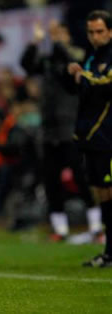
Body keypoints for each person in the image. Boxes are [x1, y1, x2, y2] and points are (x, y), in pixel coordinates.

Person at [21, 20, 102, 243]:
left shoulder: (77, 54)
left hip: (72, 127)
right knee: (51, 180)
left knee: (82, 177)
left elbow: (71, 60)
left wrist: (58, 43)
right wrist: (35, 42)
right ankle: (60, 228)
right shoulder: (47, 60)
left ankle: (97, 227)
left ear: (68, 34)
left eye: (59, 32)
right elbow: (27, 64)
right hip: (49, 130)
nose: (54, 36)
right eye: (53, 33)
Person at [67, 10, 112, 267]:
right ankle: (108, 252)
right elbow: (80, 89)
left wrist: (83, 75)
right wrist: (73, 73)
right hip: (92, 136)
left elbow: (106, 83)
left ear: (110, 32)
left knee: (109, 192)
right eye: (91, 32)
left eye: (99, 31)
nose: (95, 37)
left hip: (108, 136)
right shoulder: (92, 57)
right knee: (103, 194)